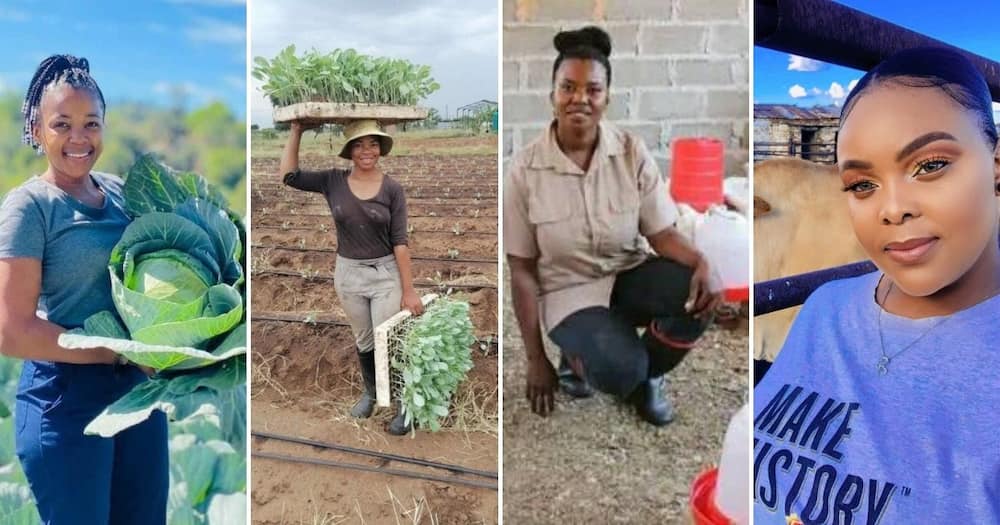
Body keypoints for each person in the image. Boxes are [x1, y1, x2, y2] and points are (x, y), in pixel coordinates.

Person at [753, 47, 1000, 523]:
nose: (892, 209)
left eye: (930, 165)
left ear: (996, 166)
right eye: (862, 184)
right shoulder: (823, 308)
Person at [504, 26, 721, 426]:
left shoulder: (630, 152)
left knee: (701, 294)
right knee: (620, 370)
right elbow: (521, 271)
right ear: (552, 94)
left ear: (607, 97)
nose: (579, 99)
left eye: (593, 89)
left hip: (626, 272)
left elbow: (661, 234)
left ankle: (647, 375)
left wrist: (701, 261)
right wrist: (534, 360)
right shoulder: (524, 171)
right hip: (568, 292)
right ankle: (581, 359)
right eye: (568, 87)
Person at [0, 55, 167, 524]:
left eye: (91, 123)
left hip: (137, 393)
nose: (79, 138)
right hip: (64, 400)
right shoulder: (29, 207)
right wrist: (117, 352)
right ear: (36, 129)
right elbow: (12, 332)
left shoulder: (119, 192)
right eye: (62, 124)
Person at [279, 119, 423, 436]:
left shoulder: (392, 189)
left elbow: (401, 243)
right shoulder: (333, 181)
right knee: (365, 340)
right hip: (348, 275)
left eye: (372, 143)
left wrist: (409, 291)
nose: (366, 150)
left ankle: (404, 405)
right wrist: (296, 130)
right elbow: (289, 177)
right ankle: (371, 394)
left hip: (385, 274)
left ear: (381, 148)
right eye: (358, 144)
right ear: (349, 151)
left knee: (392, 340)